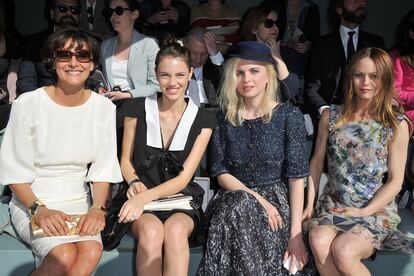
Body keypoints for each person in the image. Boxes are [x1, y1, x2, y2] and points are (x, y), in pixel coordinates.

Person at [0, 27, 123, 275]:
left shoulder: (103, 109)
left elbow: (103, 169)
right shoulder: (27, 104)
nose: (73, 62)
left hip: (80, 202)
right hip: (32, 201)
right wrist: (39, 210)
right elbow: (13, 172)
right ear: (53, 61)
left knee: (91, 251)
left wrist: (98, 210)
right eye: (65, 55)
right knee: (63, 256)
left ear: (92, 65)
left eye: (82, 55)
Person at [198, 41, 316, 275]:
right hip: (232, 199)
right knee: (239, 205)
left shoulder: (288, 115)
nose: (246, 79)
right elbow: (220, 172)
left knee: (242, 212)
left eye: (254, 71)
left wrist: (295, 235)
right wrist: (257, 199)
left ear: (268, 77)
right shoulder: (223, 117)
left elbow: (295, 179)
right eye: (239, 73)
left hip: (277, 207)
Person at [303, 47, 413, 276]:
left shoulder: (395, 123)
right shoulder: (330, 116)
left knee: (344, 251)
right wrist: (308, 205)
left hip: (373, 211)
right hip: (334, 205)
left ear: (384, 79)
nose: (365, 82)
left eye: (374, 76)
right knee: (318, 240)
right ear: (350, 77)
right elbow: (316, 162)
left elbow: (395, 181)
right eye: (359, 75)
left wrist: (365, 212)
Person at [117, 36, 216, 275]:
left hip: (180, 199)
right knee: (151, 232)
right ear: (155, 74)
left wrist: (143, 198)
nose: (173, 83)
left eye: (180, 75)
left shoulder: (203, 119)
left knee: (175, 231)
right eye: (165, 75)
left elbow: (183, 180)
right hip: (140, 194)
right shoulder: (135, 109)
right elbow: (125, 162)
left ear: (191, 73)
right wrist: (135, 183)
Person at [304, 0, 385, 120]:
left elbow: (384, 83)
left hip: (368, 115)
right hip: (331, 113)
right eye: (354, 0)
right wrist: (326, 111)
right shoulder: (322, 44)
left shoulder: (376, 43)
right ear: (339, 9)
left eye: (362, 0)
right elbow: (311, 89)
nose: (361, 3)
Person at [16, 0, 82, 95]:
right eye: (62, 9)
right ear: (52, 13)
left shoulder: (89, 43)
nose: (69, 13)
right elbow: (26, 81)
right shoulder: (35, 42)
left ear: (80, 16)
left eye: (74, 10)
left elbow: (94, 80)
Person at [100, 0, 159, 101]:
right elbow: (104, 80)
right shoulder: (105, 45)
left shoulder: (149, 44)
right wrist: (101, 88)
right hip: (111, 104)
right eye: (110, 12)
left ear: (134, 14)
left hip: (138, 104)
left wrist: (127, 94)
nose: (113, 16)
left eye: (119, 10)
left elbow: (155, 85)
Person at [241, 4, 299, 103]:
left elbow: (291, 93)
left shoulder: (288, 54)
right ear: (254, 29)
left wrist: (278, 59)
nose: (275, 28)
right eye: (269, 23)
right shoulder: (242, 54)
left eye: (277, 23)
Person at [183, 27, 223, 107]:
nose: (198, 59)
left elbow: (227, 81)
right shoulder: (176, 65)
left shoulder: (213, 66)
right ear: (185, 46)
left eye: (204, 54)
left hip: (210, 111)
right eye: (194, 53)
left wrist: (214, 52)